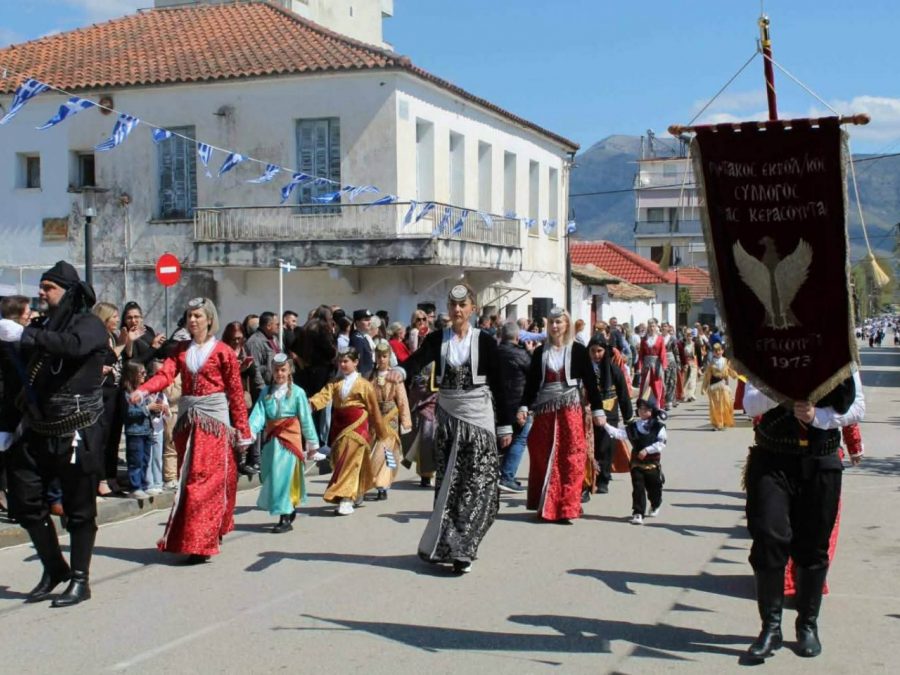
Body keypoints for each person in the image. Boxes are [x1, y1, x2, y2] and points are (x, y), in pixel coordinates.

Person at [389, 284, 512, 573]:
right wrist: (402, 371)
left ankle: (466, 545)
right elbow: (417, 360)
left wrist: (505, 424)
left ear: (473, 309)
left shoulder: (485, 342)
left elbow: (500, 385)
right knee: (450, 484)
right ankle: (449, 545)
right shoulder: (437, 339)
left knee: (479, 485)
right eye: (453, 304)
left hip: (478, 419)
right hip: (449, 420)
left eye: (463, 305)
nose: (457, 310)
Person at [742, 372, 864, 662]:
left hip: (821, 460)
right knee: (769, 538)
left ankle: (807, 625)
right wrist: (780, 391)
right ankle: (770, 628)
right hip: (772, 459)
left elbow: (857, 407)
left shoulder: (838, 350)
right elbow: (749, 405)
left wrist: (817, 417)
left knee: (813, 545)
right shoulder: (766, 350)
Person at [8, 261, 108, 606]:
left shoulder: (90, 324)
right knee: (25, 499)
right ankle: (55, 568)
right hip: (38, 429)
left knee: (79, 508)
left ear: (68, 292)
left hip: (78, 431)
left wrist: (26, 335)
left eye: (49, 287)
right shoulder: (42, 326)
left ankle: (80, 579)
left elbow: (73, 346)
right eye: (41, 286)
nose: (41, 292)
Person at [131, 297, 252, 563]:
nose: (192, 320)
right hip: (188, 423)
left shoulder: (223, 351)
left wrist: (242, 430)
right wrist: (143, 389)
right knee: (190, 481)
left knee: (203, 480)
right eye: (189, 315)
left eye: (197, 315)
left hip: (214, 424)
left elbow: (235, 392)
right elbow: (166, 375)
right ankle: (198, 535)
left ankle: (201, 542)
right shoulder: (181, 350)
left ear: (209, 319)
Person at [519, 307, 604, 522]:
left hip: (570, 408)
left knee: (572, 456)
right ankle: (546, 504)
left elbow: (591, 383)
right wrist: (523, 406)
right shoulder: (540, 352)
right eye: (552, 323)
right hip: (545, 410)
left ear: (567, 324)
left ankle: (567, 507)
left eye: (559, 322)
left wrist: (597, 409)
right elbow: (531, 384)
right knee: (543, 454)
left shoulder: (577, 350)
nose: (555, 327)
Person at [308, 347, 389, 516]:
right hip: (338, 427)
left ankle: (346, 498)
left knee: (351, 459)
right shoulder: (334, 383)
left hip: (358, 425)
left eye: (346, 361)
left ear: (356, 362)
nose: (342, 364)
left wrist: (381, 432)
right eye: (340, 361)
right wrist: (309, 405)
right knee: (340, 460)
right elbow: (322, 397)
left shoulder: (365, 385)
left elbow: (373, 410)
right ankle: (356, 490)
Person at [248, 353, 320, 532]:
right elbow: (258, 414)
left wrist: (311, 442)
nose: (279, 374)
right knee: (272, 476)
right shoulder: (266, 392)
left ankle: (284, 517)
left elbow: (305, 418)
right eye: (276, 370)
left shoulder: (298, 393)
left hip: (290, 442)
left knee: (284, 477)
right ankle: (288, 508)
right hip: (273, 442)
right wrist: (249, 431)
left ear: (289, 371)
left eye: (283, 370)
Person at [599, 398, 667, 525]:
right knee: (638, 487)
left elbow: (661, 443)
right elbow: (619, 434)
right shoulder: (634, 427)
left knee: (655, 488)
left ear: (652, 411)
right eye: (640, 409)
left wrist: (647, 450)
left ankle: (655, 504)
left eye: (646, 409)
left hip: (652, 464)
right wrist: (605, 425)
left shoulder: (659, 427)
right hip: (636, 464)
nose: (642, 411)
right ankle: (638, 512)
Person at [587, 334, 634, 495]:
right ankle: (588, 479)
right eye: (592, 351)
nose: (596, 355)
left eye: (599, 351)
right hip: (588, 414)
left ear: (605, 351)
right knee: (590, 448)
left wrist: (629, 418)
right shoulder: (584, 370)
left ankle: (603, 480)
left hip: (610, 415)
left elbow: (623, 395)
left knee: (606, 448)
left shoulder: (614, 370)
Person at [367, 340, 412, 500]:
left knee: (388, 453)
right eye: (379, 356)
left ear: (389, 357)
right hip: (375, 419)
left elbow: (402, 399)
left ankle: (384, 485)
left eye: (384, 356)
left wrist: (405, 420)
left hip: (390, 418)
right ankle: (375, 481)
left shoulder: (395, 377)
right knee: (374, 451)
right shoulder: (370, 376)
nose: (381, 360)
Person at [0, 295, 32, 514]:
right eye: (28, 312)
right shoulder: (14, 341)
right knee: (10, 455)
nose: (30, 315)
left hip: (12, 405)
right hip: (10, 406)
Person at [496, 321, 532, 493]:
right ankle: (507, 476)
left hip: (496, 402)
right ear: (518, 337)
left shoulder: (493, 352)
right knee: (519, 438)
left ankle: (498, 474)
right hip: (518, 402)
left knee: (500, 439)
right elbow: (533, 374)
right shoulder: (521, 354)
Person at [121, 362, 154, 499]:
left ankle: (143, 484)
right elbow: (130, 412)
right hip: (135, 432)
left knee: (145, 459)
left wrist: (157, 409)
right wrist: (148, 408)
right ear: (133, 375)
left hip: (147, 430)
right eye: (142, 373)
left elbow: (149, 408)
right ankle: (135, 486)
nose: (144, 376)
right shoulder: (127, 393)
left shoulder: (143, 391)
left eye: (145, 373)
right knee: (136, 460)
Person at [701, 343, 737, 431]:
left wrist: (734, 375)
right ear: (713, 352)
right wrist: (704, 388)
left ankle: (724, 422)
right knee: (715, 406)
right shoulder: (711, 364)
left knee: (726, 404)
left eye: (719, 350)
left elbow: (730, 370)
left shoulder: (725, 361)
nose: (718, 352)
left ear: (722, 351)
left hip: (724, 386)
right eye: (716, 351)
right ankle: (717, 424)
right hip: (714, 387)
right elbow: (707, 376)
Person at [637, 319, 667, 406]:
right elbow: (641, 355)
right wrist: (639, 367)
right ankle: (643, 405)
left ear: (656, 327)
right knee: (644, 385)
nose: (652, 328)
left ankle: (657, 405)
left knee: (656, 385)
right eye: (650, 326)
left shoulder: (660, 339)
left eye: (653, 326)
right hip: (646, 365)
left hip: (656, 366)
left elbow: (663, 353)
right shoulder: (644, 339)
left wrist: (664, 365)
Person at [349, 309, 376, 377]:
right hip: (362, 376)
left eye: (369, 319)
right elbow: (358, 362)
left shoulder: (363, 336)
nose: (369, 322)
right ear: (357, 322)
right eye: (366, 320)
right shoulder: (357, 338)